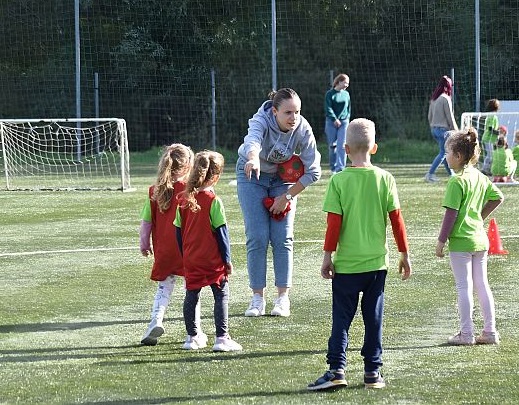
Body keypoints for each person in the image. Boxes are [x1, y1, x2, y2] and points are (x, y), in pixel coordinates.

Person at [307, 118, 411, 391]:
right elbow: (397, 220)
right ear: (374, 148)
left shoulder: (339, 181)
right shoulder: (385, 178)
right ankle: (372, 373)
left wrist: (327, 256)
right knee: (373, 318)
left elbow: (334, 224)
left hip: (347, 266)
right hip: (377, 264)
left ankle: (336, 370)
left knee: (342, 319)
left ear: (345, 148)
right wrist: (404, 253)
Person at [237, 88, 322, 318]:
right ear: (275, 111)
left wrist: (287, 196)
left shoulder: (302, 128)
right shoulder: (261, 120)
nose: (293, 118)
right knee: (257, 236)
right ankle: (257, 299)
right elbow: (251, 141)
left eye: (297, 112)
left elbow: (314, 171)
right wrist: (253, 158)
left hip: (284, 181)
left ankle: (283, 298)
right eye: (288, 113)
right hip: (252, 176)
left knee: (283, 238)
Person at [436, 127, 503, 346]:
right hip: (480, 240)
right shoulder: (479, 176)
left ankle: (466, 334)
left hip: (462, 242)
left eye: (447, 153)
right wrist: (479, 218)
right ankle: (490, 331)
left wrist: (441, 241)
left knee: (464, 287)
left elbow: (451, 214)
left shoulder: (457, 181)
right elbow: (498, 197)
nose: (446, 157)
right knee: (482, 285)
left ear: (458, 156)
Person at [175, 150, 242, 352]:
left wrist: (185, 256)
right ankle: (222, 338)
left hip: (192, 260)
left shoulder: (183, 201)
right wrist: (227, 260)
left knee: (191, 295)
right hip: (212, 260)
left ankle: (192, 337)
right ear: (216, 176)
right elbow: (222, 234)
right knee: (221, 295)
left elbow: (178, 232)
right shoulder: (214, 201)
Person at [139, 144, 194, 346]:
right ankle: (193, 331)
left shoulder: (155, 191)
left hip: (164, 250)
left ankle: (156, 319)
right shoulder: (190, 191)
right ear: (188, 167)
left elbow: (146, 222)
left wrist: (144, 243)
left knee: (165, 287)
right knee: (192, 288)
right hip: (187, 248)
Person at [425, 75, 459, 183]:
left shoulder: (434, 99)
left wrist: (432, 126)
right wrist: (456, 131)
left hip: (434, 129)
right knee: (443, 153)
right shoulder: (445, 98)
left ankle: (452, 175)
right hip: (443, 130)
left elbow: (429, 116)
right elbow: (450, 116)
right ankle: (430, 174)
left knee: (444, 152)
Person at [324, 73, 351, 174]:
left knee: (342, 145)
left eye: (348, 83)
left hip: (344, 122)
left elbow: (348, 108)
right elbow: (328, 108)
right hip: (331, 122)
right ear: (339, 82)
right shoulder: (329, 94)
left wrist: (346, 118)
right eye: (345, 82)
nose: (346, 85)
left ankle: (340, 168)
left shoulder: (346, 94)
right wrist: (335, 119)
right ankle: (333, 168)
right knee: (332, 145)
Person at [480, 99, 501, 175]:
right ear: (496, 107)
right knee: (490, 156)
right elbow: (490, 128)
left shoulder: (491, 115)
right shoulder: (492, 116)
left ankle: (487, 170)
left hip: (489, 139)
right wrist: (498, 133)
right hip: (488, 139)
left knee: (490, 155)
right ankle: (485, 170)